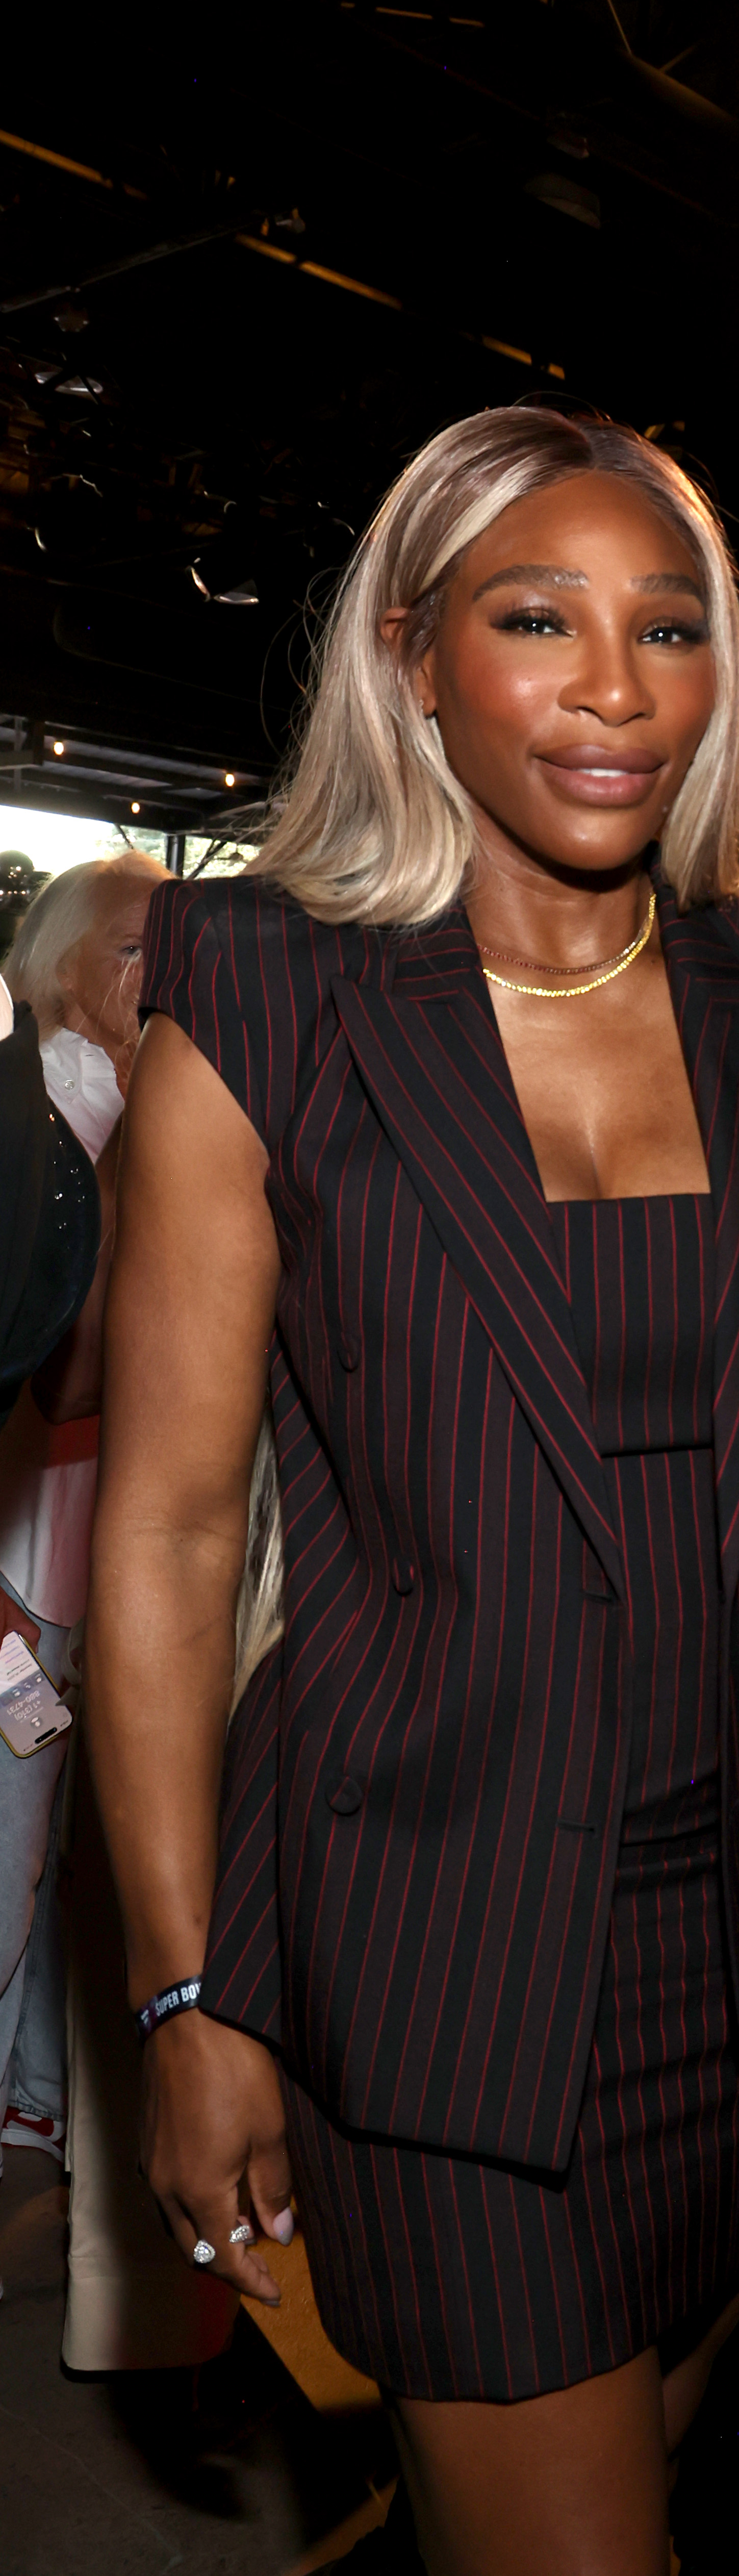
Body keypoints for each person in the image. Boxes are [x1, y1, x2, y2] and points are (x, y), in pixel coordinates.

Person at [86, 406, 739, 2576]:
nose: (613, 685)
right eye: (534, 619)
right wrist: (187, 2001)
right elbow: (168, 1542)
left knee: (652, 2509)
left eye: (669, 631)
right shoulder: (266, 999)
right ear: (412, 655)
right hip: (430, 1968)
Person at [0, 853, 166, 2185]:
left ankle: (36, 2106)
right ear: (57, 967)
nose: (163, 972)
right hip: (30, 1554)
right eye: (132, 947)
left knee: (67, 1863)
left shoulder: (125, 1103)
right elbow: (79, 1367)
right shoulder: (51, 1118)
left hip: (95, 1549)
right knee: (12, 1860)